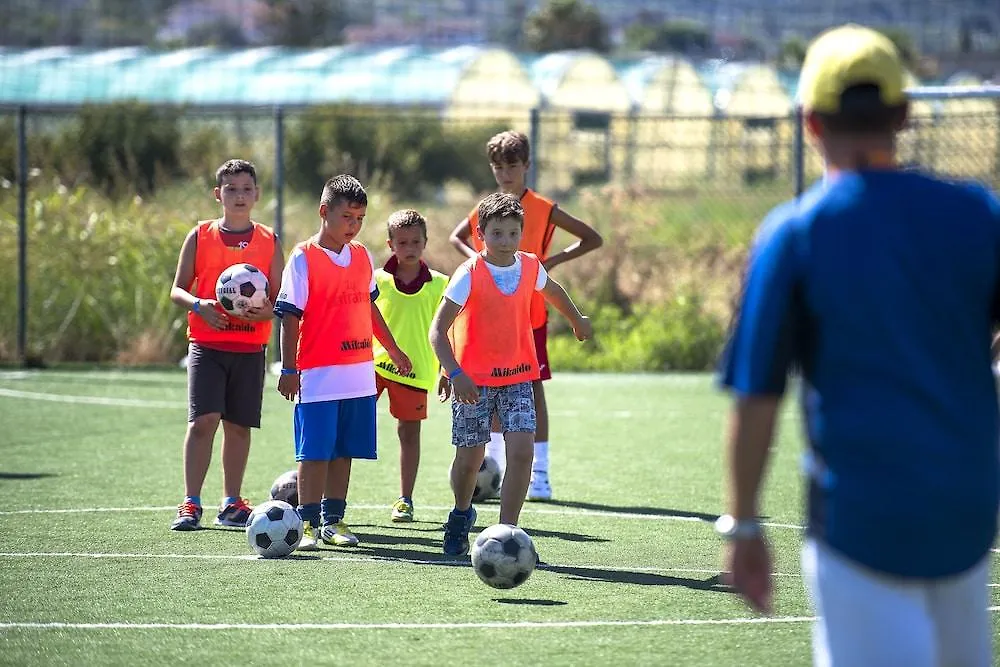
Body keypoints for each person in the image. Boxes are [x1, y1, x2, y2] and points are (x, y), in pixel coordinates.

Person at [716, 24, 999, 667]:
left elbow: (756, 397)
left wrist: (745, 526)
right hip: (968, 509)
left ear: (810, 123)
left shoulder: (796, 235)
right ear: (903, 115)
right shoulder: (979, 215)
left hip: (860, 520)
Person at [431, 192, 592, 556]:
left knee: (521, 452)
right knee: (470, 460)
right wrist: (453, 372)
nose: (505, 241)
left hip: (519, 375)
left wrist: (577, 319)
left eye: (513, 233)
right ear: (480, 235)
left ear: (522, 233)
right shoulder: (469, 273)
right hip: (473, 383)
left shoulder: (531, 266)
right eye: (497, 233)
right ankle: (460, 515)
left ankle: (508, 532)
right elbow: (438, 331)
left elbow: (553, 291)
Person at [449, 130, 602, 501]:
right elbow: (457, 237)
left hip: (529, 312)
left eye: (513, 166)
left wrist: (554, 261)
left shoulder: (544, 208)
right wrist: (476, 262)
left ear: (526, 166)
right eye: (498, 167)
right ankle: (495, 465)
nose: (505, 174)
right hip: (488, 317)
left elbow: (591, 238)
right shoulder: (486, 210)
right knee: (492, 387)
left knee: (530, 389)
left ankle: (542, 473)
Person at [274, 174, 411, 550]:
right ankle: (305, 524)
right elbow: (289, 317)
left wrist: (394, 350)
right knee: (314, 451)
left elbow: (369, 308)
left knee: (344, 450)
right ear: (324, 212)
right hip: (317, 373)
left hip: (359, 374)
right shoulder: (302, 257)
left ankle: (334, 521)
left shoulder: (363, 256)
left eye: (360, 219)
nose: (353, 226)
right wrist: (288, 369)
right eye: (347, 217)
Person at [168, 158, 284, 531]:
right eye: (231, 189)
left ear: (256, 194)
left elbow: (280, 301)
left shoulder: (269, 240)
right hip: (207, 344)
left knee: (237, 426)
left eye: (246, 189)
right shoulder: (200, 235)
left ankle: (231, 503)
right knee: (203, 422)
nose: (239, 195)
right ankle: (190, 502)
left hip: (250, 349)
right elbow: (177, 289)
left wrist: (265, 314)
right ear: (218, 194)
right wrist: (199, 306)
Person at [372, 209, 450, 523]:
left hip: (416, 371)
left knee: (409, 434)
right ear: (391, 244)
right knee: (347, 429)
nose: (409, 247)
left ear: (425, 242)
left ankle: (405, 499)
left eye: (416, 241)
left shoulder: (439, 284)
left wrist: (447, 369)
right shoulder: (376, 279)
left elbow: (449, 329)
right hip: (373, 367)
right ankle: (331, 498)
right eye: (402, 242)